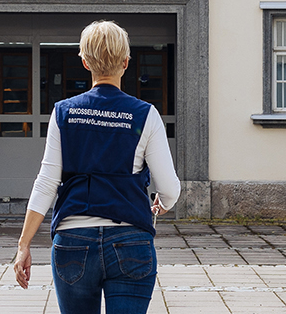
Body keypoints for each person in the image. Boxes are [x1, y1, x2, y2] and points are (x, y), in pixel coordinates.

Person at [11, 20, 179, 312]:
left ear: (85, 62)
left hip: (73, 241)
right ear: (126, 62)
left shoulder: (63, 113)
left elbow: (47, 182)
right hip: (131, 239)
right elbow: (170, 188)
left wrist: (24, 244)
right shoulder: (146, 115)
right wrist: (163, 203)